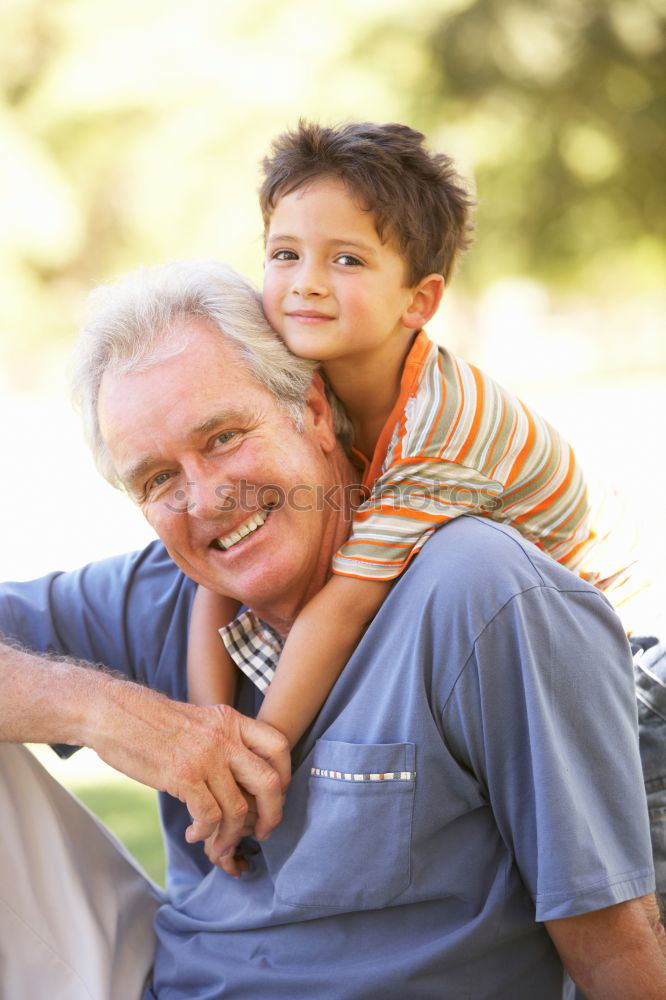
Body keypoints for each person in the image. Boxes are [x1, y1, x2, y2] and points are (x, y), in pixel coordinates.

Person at [0, 259, 664, 999]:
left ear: (312, 411)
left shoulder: (477, 594)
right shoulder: (158, 590)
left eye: (222, 437)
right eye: (158, 479)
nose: (207, 498)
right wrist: (102, 712)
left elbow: (613, 942)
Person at [187, 122, 637, 781]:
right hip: (458, 668)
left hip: (572, 701)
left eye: (347, 260)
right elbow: (220, 564)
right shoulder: (291, 378)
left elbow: (346, 609)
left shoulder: (446, 426)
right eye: (285, 254)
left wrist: (256, 759)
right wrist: (213, 740)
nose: (306, 282)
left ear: (418, 301)